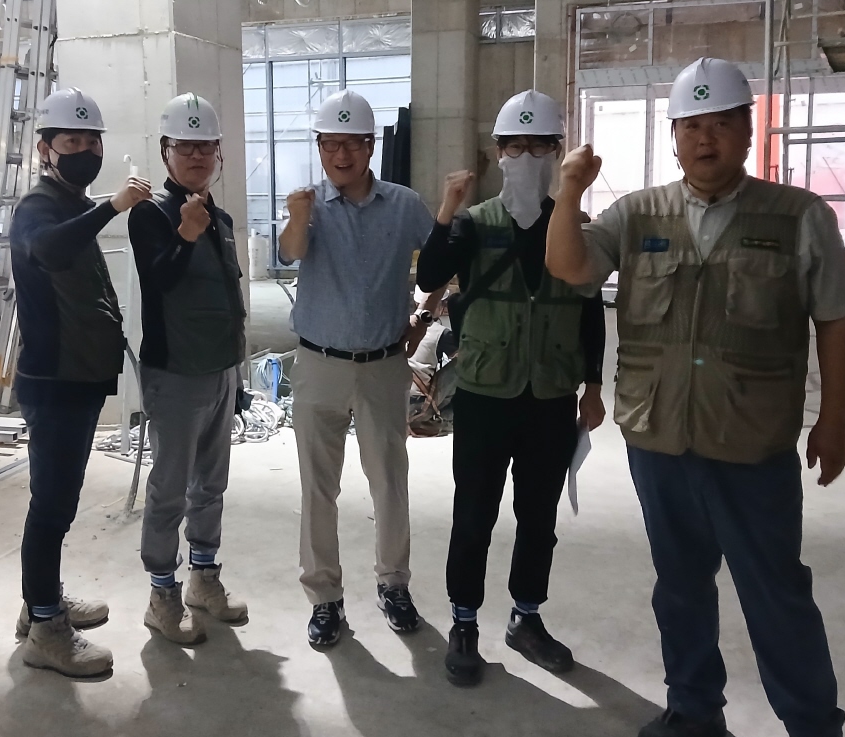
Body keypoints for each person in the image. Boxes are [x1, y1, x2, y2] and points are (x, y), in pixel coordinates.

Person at [545, 58, 845, 737]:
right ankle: (693, 705)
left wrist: (833, 419)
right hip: (659, 436)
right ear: (675, 136)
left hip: (751, 440)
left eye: (721, 124)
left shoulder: (798, 216)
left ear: (748, 131)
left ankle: (814, 733)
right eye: (692, 127)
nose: (706, 139)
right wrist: (569, 191)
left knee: (775, 591)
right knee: (680, 586)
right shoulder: (636, 214)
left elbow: (837, 318)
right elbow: (569, 267)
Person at [416, 89, 607, 688]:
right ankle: (464, 623)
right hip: (483, 394)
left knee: (538, 516)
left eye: (539, 147)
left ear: (557, 152)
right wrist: (447, 210)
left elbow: (590, 309)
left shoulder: (572, 227)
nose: (526, 158)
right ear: (498, 153)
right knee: (473, 513)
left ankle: (527, 617)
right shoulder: (474, 224)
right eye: (514, 147)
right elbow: (428, 276)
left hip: (550, 394)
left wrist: (594, 385)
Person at [279, 88, 440, 649]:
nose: (341, 154)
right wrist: (298, 215)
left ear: (371, 146)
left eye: (352, 143)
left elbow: (443, 259)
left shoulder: (404, 205)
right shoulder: (308, 204)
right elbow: (291, 252)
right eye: (330, 144)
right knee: (317, 487)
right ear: (320, 148)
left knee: (389, 482)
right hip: (318, 363)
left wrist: (424, 315)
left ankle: (394, 585)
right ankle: (324, 597)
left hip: (382, 366)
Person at [10, 87, 153, 678]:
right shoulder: (38, 207)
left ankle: (39, 602)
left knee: (58, 502)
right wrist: (112, 206)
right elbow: (48, 249)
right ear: (45, 149)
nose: (86, 151)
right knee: (52, 506)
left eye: (93, 141)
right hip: (54, 379)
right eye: (72, 140)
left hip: (78, 377)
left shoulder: (68, 200)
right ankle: (45, 629)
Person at [128, 92, 248, 646]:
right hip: (175, 373)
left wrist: (236, 373)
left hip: (220, 369)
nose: (197, 156)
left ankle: (204, 578)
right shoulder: (151, 215)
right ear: (166, 151)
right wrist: (185, 234)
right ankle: (162, 595)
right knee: (170, 490)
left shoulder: (220, 218)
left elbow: (229, 299)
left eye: (206, 146)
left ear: (218, 152)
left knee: (211, 484)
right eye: (186, 146)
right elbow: (158, 282)